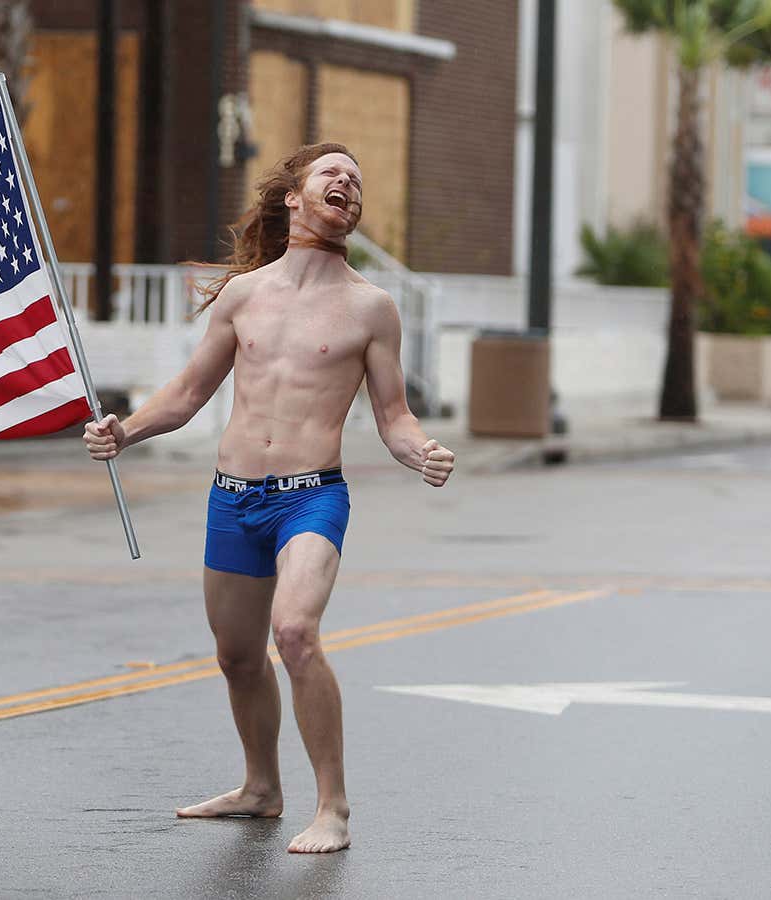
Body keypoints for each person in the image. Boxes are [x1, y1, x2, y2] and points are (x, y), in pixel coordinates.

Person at [83, 143, 455, 854]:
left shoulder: (371, 308)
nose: (346, 182)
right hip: (232, 498)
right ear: (294, 198)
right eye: (331, 174)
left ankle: (334, 808)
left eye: (355, 177)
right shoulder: (243, 295)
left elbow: (394, 416)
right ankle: (260, 789)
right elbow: (190, 394)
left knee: (294, 633)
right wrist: (123, 431)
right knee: (237, 657)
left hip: (310, 498)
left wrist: (422, 453)